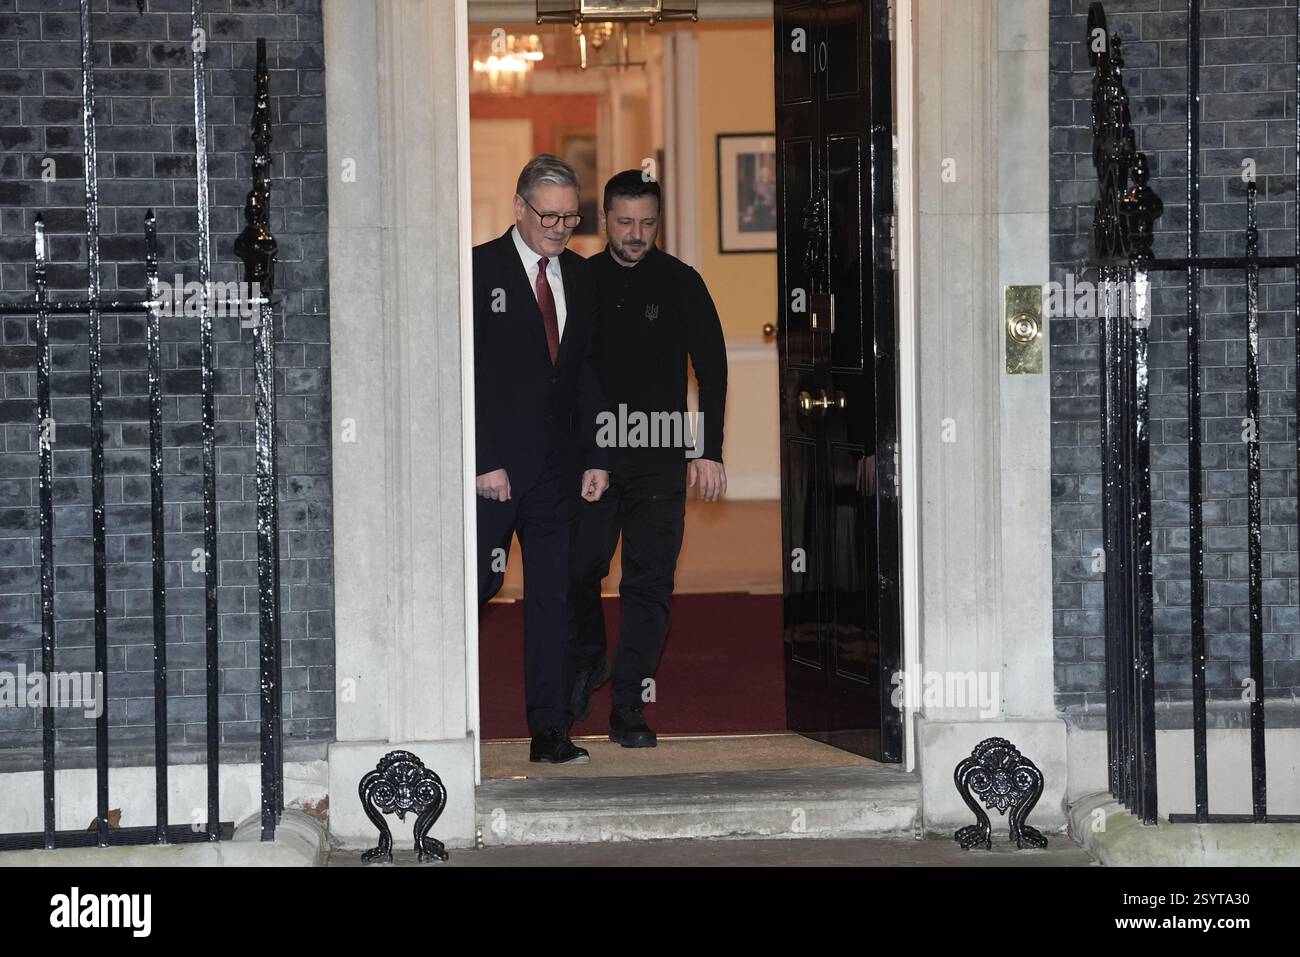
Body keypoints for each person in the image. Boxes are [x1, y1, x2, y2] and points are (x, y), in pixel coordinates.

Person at [566, 170, 728, 747]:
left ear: (659, 222)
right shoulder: (579, 280)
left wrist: (708, 450)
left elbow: (712, 367)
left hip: (660, 456)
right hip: (592, 459)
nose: (636, 234)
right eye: (625, 222)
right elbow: (563, 372)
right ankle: (588, 661)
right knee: (578, 569)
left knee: (649, 582)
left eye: (648, 223)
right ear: (604, 218)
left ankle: (629, 705)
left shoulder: (682, 281)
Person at [474, 154, 610, 764]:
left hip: (558, 470)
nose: (559, 228)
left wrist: (598, 455)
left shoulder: (580, 278)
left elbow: (587, 375)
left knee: (552, 598)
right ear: (519, 208)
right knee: (478, 585)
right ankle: (446, 721)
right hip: (494, 470)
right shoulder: (478, 271)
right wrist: (483, 458)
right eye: (548, 216)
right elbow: (465, 374)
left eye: (570, 217)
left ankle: (550, 730)